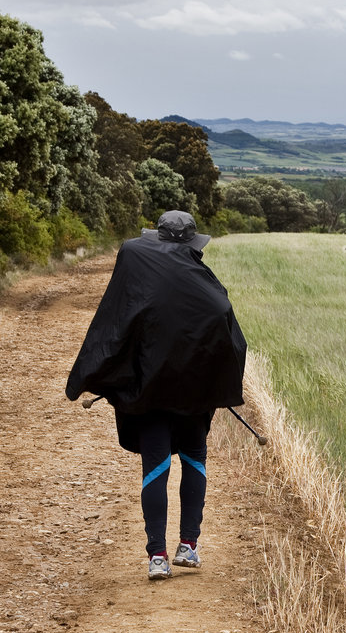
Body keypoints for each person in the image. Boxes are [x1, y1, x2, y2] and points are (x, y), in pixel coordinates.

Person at [65, 210, 249, 580]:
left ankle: (157, 558)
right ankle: (189, 548)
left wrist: (101, 373)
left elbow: (115, 323)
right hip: (194, 396)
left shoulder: (136, 267)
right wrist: (218, 381)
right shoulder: (205, 285)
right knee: (195, 458)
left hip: (147, 393)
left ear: (160, 238)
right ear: (193, 244)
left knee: (156, 466)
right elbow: (225, 322)